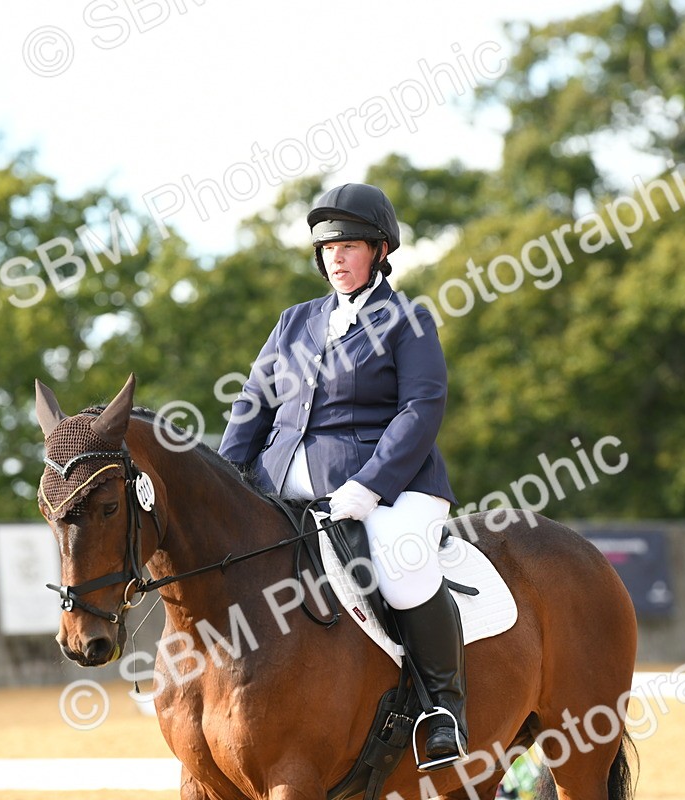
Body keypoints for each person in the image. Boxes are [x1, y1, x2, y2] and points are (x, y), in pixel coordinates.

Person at [218, 183, 468, 770]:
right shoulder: (294, 322)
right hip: (284, 494)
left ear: (381, 250)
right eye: (328, 248)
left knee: (401, 563)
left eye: (350, 246)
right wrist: (228, 478)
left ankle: (442, 710)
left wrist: (369, 485)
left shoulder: (409, 319)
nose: (336, 257)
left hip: (391, 491)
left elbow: (421, 408)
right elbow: (253, 404)